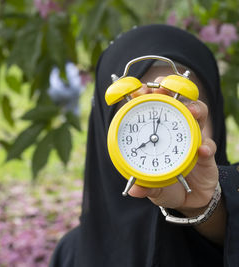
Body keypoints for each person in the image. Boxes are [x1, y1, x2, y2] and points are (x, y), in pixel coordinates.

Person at [49, 24, 239, 266]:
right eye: (137, 114)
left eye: (179, 110)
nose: (153, 135)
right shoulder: (70, 255)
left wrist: (212, 209)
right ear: (105, 129)